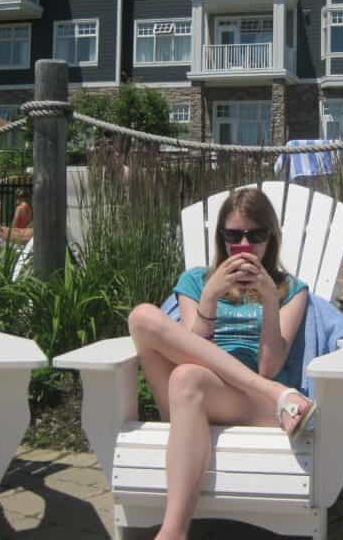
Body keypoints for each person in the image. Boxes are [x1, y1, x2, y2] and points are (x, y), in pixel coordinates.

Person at [127, 187, 315, 540]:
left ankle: (173, 533)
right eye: (233, 235)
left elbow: (269, 366)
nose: (244, 244)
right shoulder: (195, 281)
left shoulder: (291, 289)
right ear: (221, 238)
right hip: (205, 398)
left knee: (187, 378)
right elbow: (189, 343)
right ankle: (277, 395)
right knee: (141, 317)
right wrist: (210, 295)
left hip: (246, 404)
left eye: (255, 235)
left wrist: (270, 300)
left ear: (271, 238)